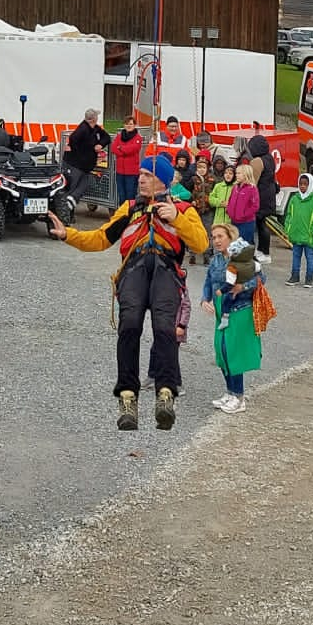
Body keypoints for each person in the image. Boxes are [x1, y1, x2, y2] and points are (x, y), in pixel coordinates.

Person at [49, 166, 208, 432]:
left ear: (162, 179)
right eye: (141, 174)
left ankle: (166, 394)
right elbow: (102, 238)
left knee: (164, 327)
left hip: (166, 271)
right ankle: (127, 397)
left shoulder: (182, 208)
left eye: (148, 174)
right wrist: (69, 235)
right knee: (130, 324)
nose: (141, 179)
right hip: (134, 270)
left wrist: (177, 219)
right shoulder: (130, 208)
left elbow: (201, 244)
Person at [206, 236, 264, 413]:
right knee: (222, 352)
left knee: (233, 354)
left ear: (230, 239)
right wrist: (204, 298)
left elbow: (261, 280)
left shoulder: (245, 259)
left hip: (240, 310)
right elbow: (209, 281)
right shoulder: (215, 260)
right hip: (221, 308)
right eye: (213, 237)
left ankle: (239, 396)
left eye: (220, 237)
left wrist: (243, 287)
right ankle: (230, 393)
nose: (216, 240)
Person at [284, 172, 313, 286]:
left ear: (310, 185)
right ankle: (294, 276)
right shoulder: (294, 199)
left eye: (305, 184)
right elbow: (289, 215)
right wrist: (288, 228)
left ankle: (309, 278)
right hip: (296, 235)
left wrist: (311, 231)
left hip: (309, 238)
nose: (302, 186)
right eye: (301, 184)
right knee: (295, 257)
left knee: (310, 258)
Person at [65, 108, 110, 208]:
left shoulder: (96, 129)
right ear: (94, 119)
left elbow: (106, 137)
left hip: (86, 167)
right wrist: (79, 154)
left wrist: (100, 145)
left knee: (84, 185)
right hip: (76, 166)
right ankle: (67, 212)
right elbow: (73, 139)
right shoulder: (83, 129)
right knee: (73, 186)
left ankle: (72, 199)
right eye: (97, 116)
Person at [225, 165, 261, 245]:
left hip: (246, 223)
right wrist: (228, 210)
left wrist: (243, 215)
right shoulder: (235, 187)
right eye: (236, 173)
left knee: (243, 247)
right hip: (234, 221)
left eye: (239, 173)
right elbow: (230, 200)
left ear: (246, 174)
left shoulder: (252, 188)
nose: (236, 175)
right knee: (233, 245)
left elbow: (255, 206)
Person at [112, 123, 143, 204]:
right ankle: (122, 214)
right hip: (120, 171)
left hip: (132, 172)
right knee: (121, 196)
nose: (129, 126)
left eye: (131, 124)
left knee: (130, 196)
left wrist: (121, 148)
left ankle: (130, 214)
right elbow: (114, 148)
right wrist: (124, 151)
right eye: (127, 124)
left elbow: (134, 149)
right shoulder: (119, 136)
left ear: (134, 125)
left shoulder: (138, 138)